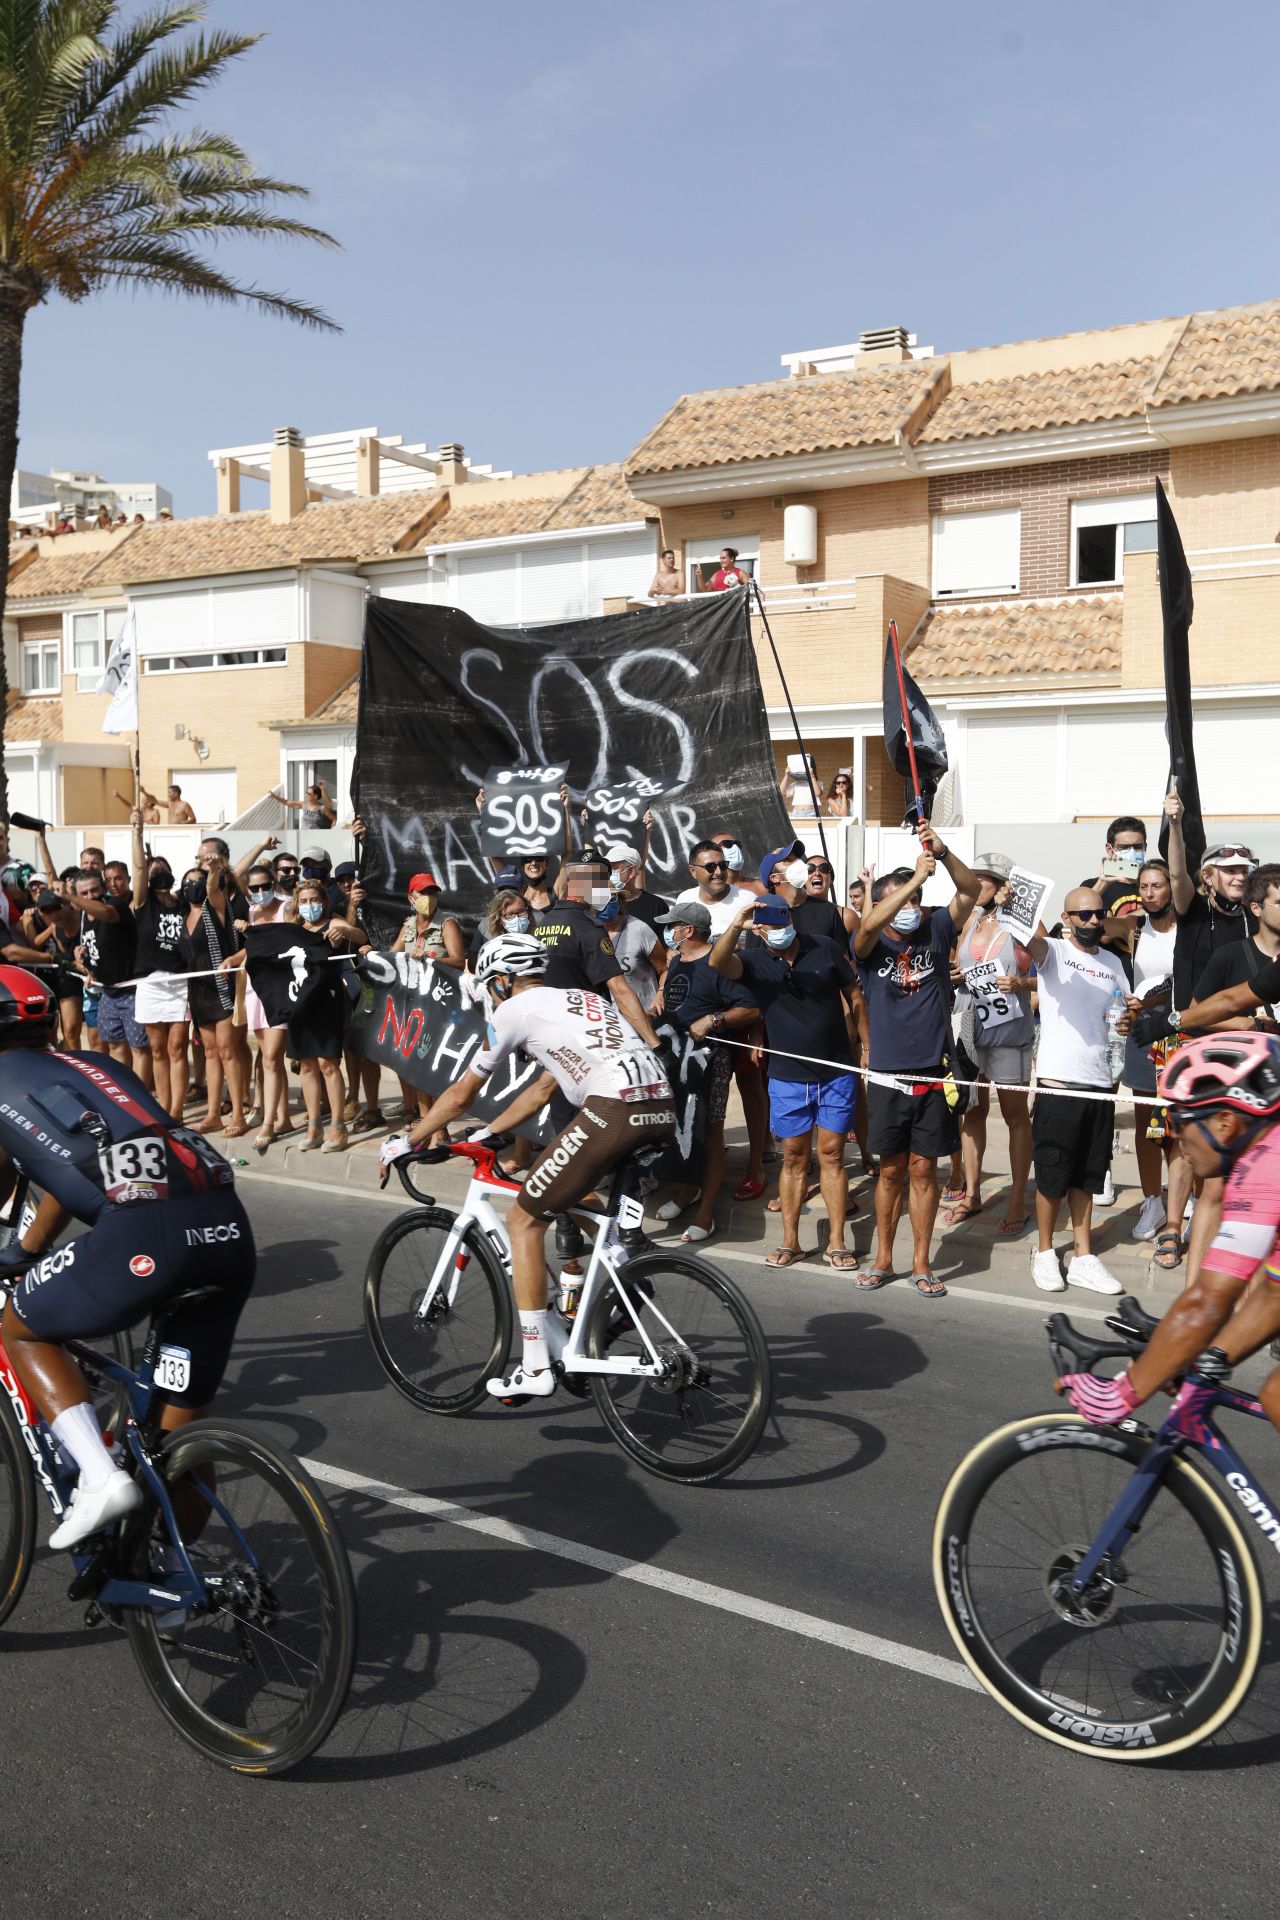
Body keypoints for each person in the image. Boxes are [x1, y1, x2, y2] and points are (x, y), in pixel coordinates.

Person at [0, 965, 254, 1549]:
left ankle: (97, 1475)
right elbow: (78, 1166)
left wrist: (21, 1253)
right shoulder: (99, 1065)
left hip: (146, 1235)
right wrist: (34, 1245)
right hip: (226, 1227)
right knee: (174, 1446)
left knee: (23, 1330)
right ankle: (164, 1578)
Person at [380, 933, 675, 1401]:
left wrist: (406, 1139)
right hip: (658, 1104)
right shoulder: (578, 999)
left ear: (500, 980)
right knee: (568, 1186)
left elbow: (460, 1094)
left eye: (490, 987)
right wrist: (487, 1133)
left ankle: (536, 1364)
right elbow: (542, 1088)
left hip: (614, 1107)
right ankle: (625, 1273)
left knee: (523, 1219)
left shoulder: (510, 1010)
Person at [1057, 1032, 1280, 1439]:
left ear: (1225, 1123)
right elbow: (1272, 1296)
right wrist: (1200, 1358)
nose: (1174, 1135)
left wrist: (1122, 1394)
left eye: (1180, 1120)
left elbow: (1206, 1301)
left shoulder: (1267, 1167)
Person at [853, 826, 980, 1295]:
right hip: (887, 1074)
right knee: (891, 1169)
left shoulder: (936, 928)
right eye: (904, 901)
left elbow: (970, 890)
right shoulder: (870, 946)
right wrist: (907, 884)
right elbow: (866, 927)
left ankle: (922, 1262)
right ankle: (883, 1259)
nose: (912, 909)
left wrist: (941, 854)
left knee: (925, 1169)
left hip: (932, 1071)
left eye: (917, 900)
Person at [711, 895, 865, 1272]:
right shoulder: (752, 960)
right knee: (794, 1157)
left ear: (790, 921)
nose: (776, 932)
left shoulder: (825, 947)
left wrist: (866, 1046)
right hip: (787, 1078)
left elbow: (855, 995)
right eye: (768, 925)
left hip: (835, 1072)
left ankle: (838, 1242)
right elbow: (718, 962)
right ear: (758, 929)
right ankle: (790, 1241)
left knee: (831, 1155)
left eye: (782, 923)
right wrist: (738, 922)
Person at [1022, 886, 1131, 1294]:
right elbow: (1026, 938)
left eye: (1097, 914)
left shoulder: (1114, 963)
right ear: (1066, 918)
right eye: (1082, 915)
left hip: (1100, 1083)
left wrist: (1127, 1021)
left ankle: (1084, 1256)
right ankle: (1046, 1251)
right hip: (1059, 1082)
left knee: (1088, 1174)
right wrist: (1015, 899)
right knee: (1053, 1173)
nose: (1091, 921)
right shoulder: (1053, 952)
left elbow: (1121, 1012)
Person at [655, 904, 763, 1241]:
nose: (668, 931)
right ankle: (687, 1191)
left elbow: (750, 1008)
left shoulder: (718, 963)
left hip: (710, 1064)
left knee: (711, 1135)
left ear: (688, 930)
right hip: (675, 1062)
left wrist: (715, 1020)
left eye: (672, 925)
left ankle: (707, 1212)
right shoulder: (676, 962)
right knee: (680, 1130)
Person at [947, 852, 1034, 1237]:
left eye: (983, 879)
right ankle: (973, 1192)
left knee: (1016, 1115)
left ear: (1001, 885)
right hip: (970, 1026)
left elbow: (1049, 968)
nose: (975, 883)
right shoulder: (968, 918)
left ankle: (1017, 1200)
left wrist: (1022, 985)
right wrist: (954, 974)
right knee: (972, 1112)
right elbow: (957, 962)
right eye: (973, 877)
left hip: (1009, 1031)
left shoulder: (1020, 922)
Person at [532, 860, 661, 1049]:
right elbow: (619, 990)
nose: (604, 890)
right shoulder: (588, 928)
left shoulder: (543, 925)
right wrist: (656, 1045)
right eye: (601, 882)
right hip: (590, 1033)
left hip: (555, 1034)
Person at [1122, 858, 1179, 1264]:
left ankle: (1184, 1200)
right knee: (1146, 1124)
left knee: (1178, 1124)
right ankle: (1151, 1200)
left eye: (1157, 885)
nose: (1150, 892)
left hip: (1179, 1035)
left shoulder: (1191, 930)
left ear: (1172, 888)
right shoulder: (1134, 929)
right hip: (1142, 1036)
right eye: (1144, 886)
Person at [129, 809, 190, 1119]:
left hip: (180, 980)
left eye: (162, 870)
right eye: (154, 873)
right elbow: (138, 867)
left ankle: (176, 1109)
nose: (158, 875)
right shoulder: (143, 903)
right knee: (156, 1048)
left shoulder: (182, 902)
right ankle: (162, 1107)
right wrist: (137, 832)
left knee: (177, 1046)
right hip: (150, 983)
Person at [183, 855, 246, 1137]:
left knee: (227, 1051)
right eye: (189, 882)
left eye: (199, 880)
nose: (194, 885)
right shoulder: (183, 915)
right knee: (209, 1053)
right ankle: (212, 1114)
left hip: (222, 990)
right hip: (198, 992)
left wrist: (214, 869)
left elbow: (210, 889)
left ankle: (238, 1115)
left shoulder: (216, 907)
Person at [76, 867, 146, 1082]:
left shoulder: (114, 905)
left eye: (94, 890)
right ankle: (125, 1092)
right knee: (114, 1045)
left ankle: (141, 1100)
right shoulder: (83, 917)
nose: (90, 896)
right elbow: (100, 951)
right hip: (107, 992)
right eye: (84, 894)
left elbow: (106, 914)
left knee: (139, 1048)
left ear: (102, 888)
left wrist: (67, 896)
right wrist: (85, 963)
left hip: (131, 990)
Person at [675, 839, 758, 937]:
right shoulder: (684, 900)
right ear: (693, 871)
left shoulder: (748, 900)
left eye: (723, 865)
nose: (718, 872)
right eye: (710, 867)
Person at [602, 840, 668, 934]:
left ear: (632, 872)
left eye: (615, 868)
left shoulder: (656, 905)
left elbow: (666, 946)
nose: (610, 872)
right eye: (608, 868)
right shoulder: (599, 903)